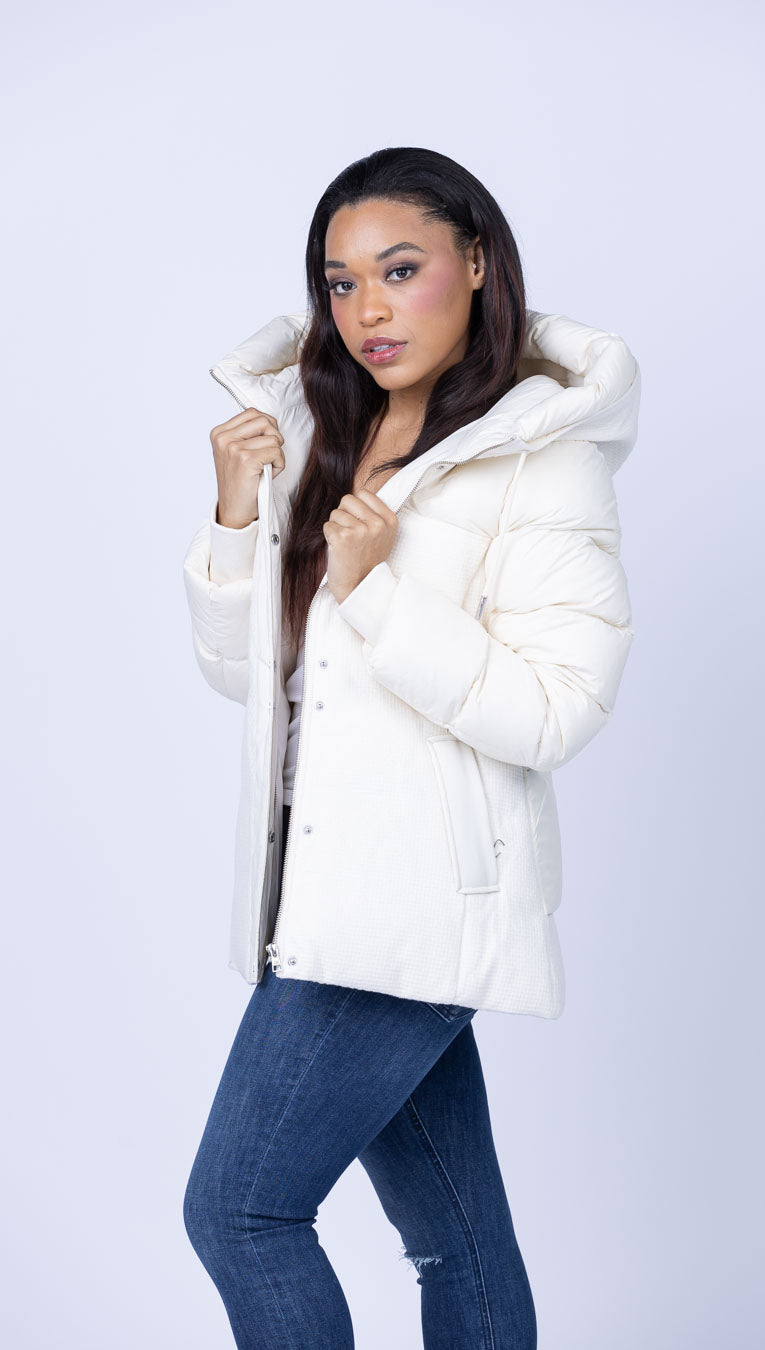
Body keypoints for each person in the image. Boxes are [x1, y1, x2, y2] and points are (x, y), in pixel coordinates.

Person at [181, 145, 641, 1349]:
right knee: (456, 1239)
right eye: (340, 283)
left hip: (412, 899)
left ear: (476, 263)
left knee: (241, 1212)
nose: (368, 310)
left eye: (400, 270)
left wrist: (379, 595)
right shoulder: (321, 430)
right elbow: (248, 683)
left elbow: (557, 709)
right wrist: (235, 516)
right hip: (319, 894)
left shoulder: (540, 459)